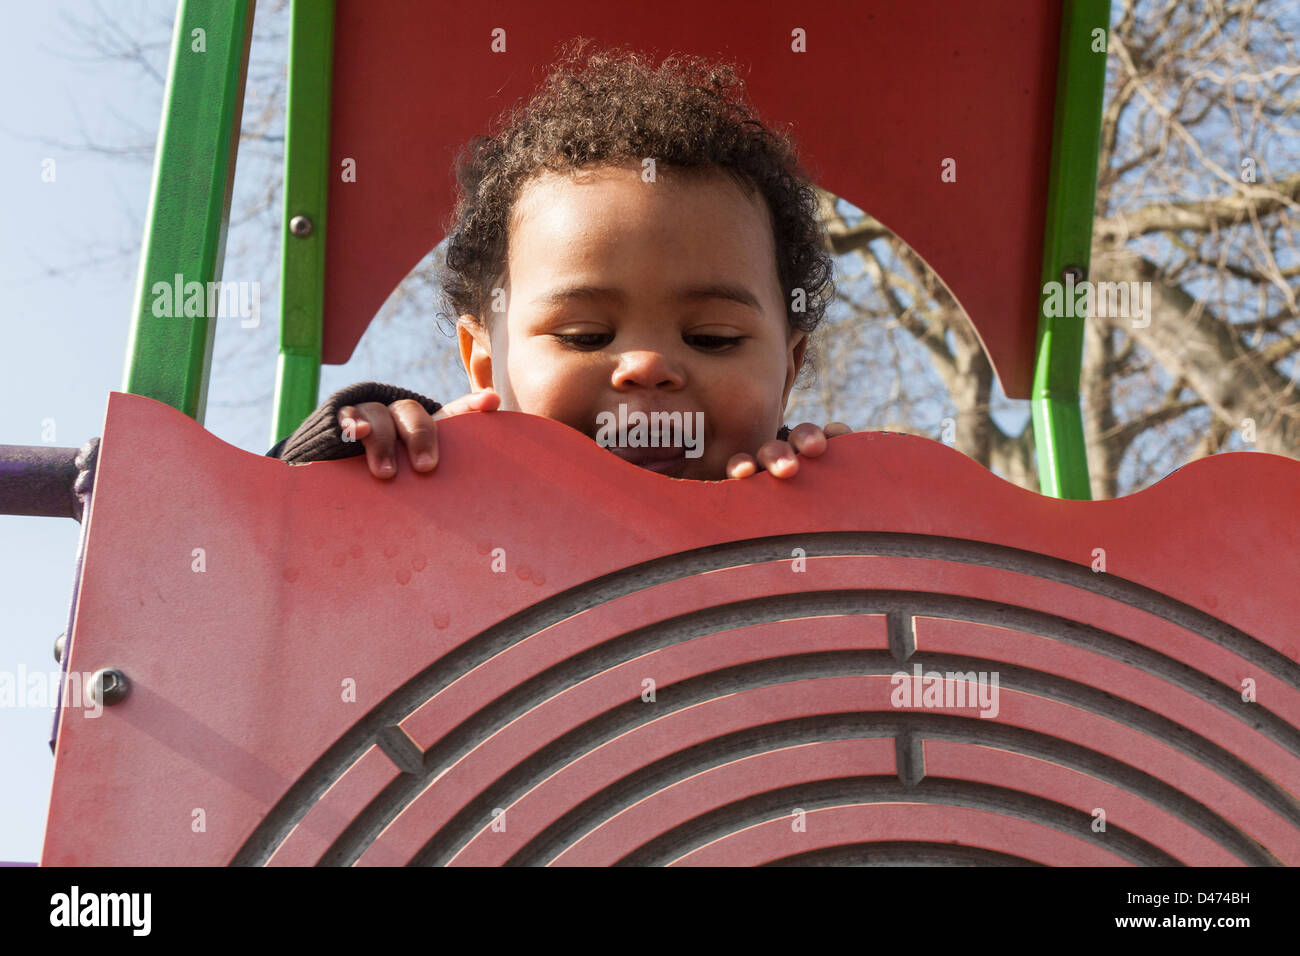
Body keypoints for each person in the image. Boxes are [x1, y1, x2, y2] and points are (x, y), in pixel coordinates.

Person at [268, 41, 851, 481]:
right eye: (584, 335)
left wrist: (848, 502)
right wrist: (360, 456)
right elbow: (267, 557)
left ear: (789, 366)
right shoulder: (451, 503)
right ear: (484, 361)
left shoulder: (799, 526)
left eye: (714, 338)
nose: (646, 366)